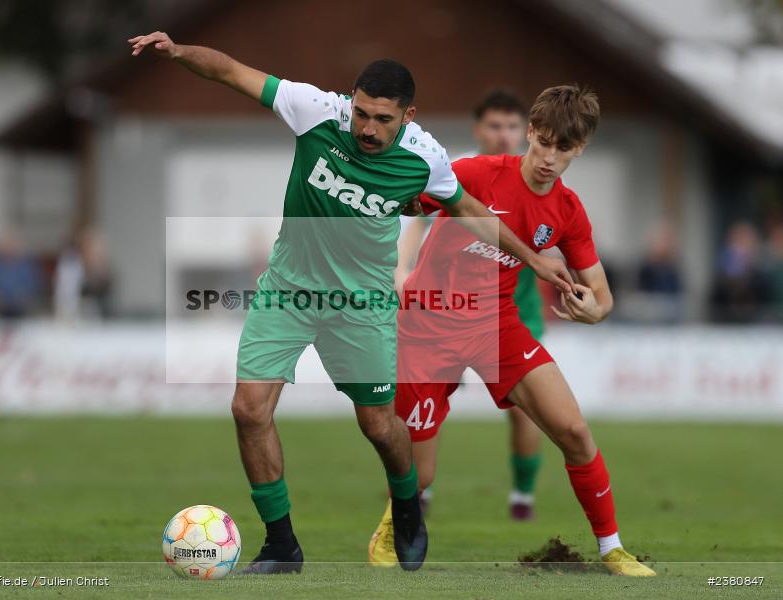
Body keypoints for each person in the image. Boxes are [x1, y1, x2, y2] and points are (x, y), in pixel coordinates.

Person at [129, 31, 573, 574]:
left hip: (362, 304)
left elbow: (472, 212)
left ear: (409, 115)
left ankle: (407, 507)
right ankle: (281, 545)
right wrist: (177, 53)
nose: (367, 128)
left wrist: (533, 259)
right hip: (288, 290)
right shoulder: (315, 109)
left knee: (380, 427)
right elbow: (230, 71)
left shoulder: (426, 158)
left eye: (382, 119)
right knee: (248, 409)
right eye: (361, 113)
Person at [368, 84, 656, 576]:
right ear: (529, 133)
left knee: (574, 431)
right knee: (420, 475)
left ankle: (612, 549)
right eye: (542, 142)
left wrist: (595, 311)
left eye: (562, 148)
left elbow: (602, 294)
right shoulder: (476, 173)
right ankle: (392, 526)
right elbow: (406, 204)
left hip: (495, 326)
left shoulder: (567, 211)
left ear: (579, 149)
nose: (548, 157)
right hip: (426, 324)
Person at [396, 89, 545, 521]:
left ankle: (523, 498)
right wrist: (403, 269)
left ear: (526, 131)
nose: (504, 135)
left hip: (514, 312)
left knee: (525, 408)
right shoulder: (459, 175)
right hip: (447, 310)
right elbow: (416, 223)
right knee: (430, 404)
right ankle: (421, 492)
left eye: (512, 127)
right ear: (478, 129)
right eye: (495, 126)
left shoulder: (542, 178)